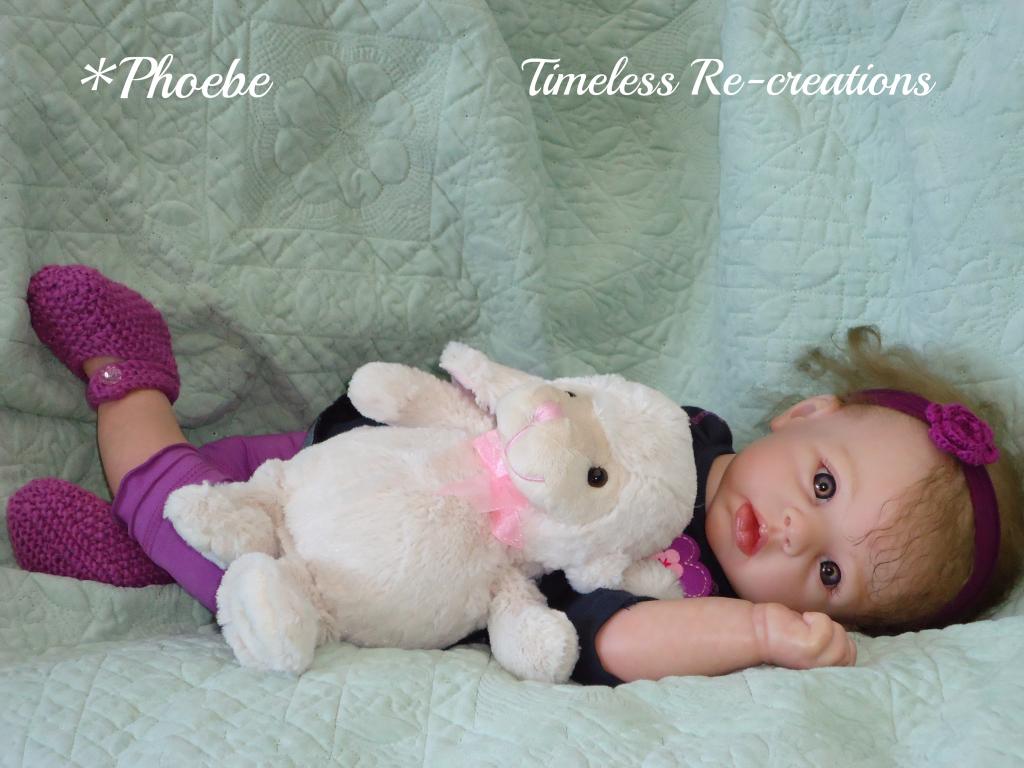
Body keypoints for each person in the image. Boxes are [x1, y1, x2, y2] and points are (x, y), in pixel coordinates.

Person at [7, 265, 1023, 686]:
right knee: (240, 483)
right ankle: (144, 487)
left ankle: (129, 406)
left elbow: (611, 642)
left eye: (830, 574)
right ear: (805, 417)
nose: (798, 532)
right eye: (824, 487)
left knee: (205, 534)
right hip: (376, 457)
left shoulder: (692, 592)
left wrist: (755, 634)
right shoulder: (683, 429)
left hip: (366, 573)